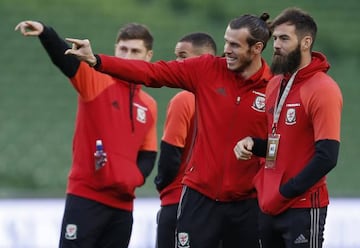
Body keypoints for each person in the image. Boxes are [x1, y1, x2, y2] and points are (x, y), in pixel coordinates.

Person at [65, 13, 273, 248]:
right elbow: (153, 73)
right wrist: (97, 61)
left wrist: (256, 146)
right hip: (199, 198)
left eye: (235, 44)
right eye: (225, 41)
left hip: (246, 203)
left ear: (257, 48)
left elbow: (281, 146)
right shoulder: (207, 69)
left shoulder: (274, 86)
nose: (226, 49)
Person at [15, 21, 158, 248]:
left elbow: (149, 154)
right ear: (115, 49)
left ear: (148, 55)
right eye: (123, 49)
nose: (127, 56)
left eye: (135, 51)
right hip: (86, 198)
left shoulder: (149, 105)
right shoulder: (96, 80)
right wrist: (46, 33)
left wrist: (132, 178)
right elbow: (67, 61)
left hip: (123, 207)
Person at [233, 7, 343, 248]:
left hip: (302, 207)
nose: (276, 45)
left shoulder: (323, 89)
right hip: (270, 205)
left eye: (284, 38)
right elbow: (278, 145)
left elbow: (327, 156)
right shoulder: (274, 85)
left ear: (306, 42)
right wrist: (253, 143)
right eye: (275, 39)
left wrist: (286, 192)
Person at [154, 32, 217, 248]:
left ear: (205, 59)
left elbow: (171, 154)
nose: (176, 63)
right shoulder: (225, 100)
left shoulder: (184, 98)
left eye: (182, 56)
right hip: (214, 207)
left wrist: (161, 184)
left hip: (179, 201)